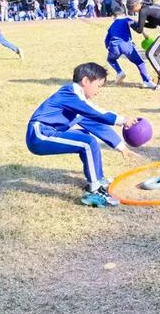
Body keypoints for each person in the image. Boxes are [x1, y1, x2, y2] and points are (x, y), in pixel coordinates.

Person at [26, 62, 140, 207]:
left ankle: (97, 179)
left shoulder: (77, 103)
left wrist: (121, 147)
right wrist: (122, 120)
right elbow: (95, 112)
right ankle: (94, 191)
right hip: (39, 135)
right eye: (98, 86)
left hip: (49, 132)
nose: (98, 91)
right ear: (86, 81)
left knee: (86, 136)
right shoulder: (70, 93)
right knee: (87, 142)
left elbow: (96, 124)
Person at [105, 7, 156, 89]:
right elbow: (139, 28)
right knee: (140, 63)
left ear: (114, 16)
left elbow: (107, 39)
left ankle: (119, 72)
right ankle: (146, 81)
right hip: (126, 45)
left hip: (113, 45)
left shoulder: (112, 25)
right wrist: (146, 36)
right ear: (123, 14)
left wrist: (108, 47)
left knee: (111, 59)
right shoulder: (127, 20)